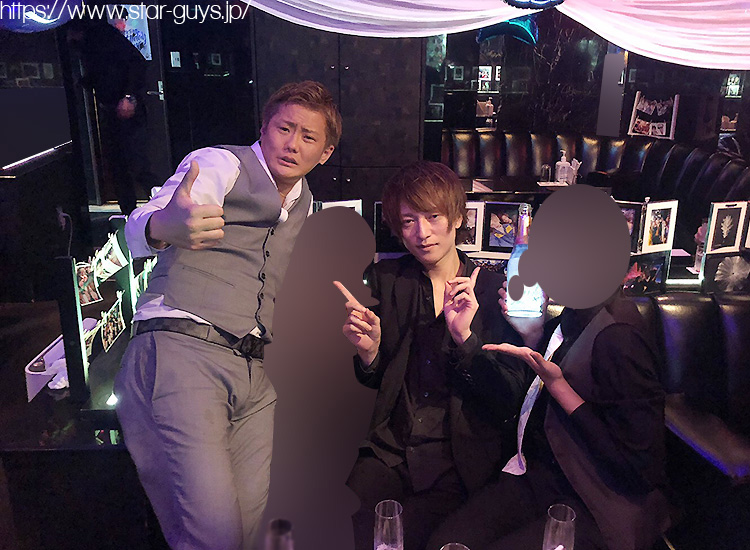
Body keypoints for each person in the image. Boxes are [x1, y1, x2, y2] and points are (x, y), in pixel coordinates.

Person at [114, 81, 341, 550]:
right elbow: (142, 225)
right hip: (184, 347)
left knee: (248, 536)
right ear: (264, 127)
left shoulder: (304, 202)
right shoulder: (220, 164)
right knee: (214, 537)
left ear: (325, 153)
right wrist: (164, 225)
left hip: (253, 373)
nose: (292, 144)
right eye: (284, 128)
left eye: (308, 137)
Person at [334, 161, 529, 550]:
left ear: (456, 218)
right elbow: (375, 382)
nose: (421, 233)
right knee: (347, 528)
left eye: (433, 217)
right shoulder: (388, 282)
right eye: (408, 221)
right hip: (390, 450)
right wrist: (369, 354)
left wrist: (465, 340)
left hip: (456, 462)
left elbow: (508, 399)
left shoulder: (495, 291)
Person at [427, 286, 669, 550]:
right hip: (538, 476)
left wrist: (560, 388)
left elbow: (641, 469)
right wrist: (529, 337)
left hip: (594, 499)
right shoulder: (567, 320)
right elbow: (516, 402)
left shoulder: (620, 335)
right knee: (445, 544)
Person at [66, 16, 156, 215]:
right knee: (119, 166)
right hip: (111, 108)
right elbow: (103, 73)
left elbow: (137, 63)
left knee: (137, 163)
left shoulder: (103, 37)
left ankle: (164, 204)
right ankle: (129, 214)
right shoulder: (87, 45)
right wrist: (85, 82)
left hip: (126, 106)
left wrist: (128, 96)